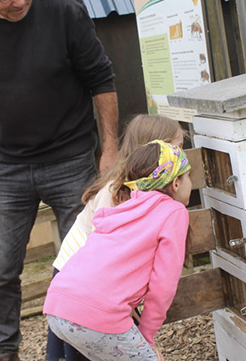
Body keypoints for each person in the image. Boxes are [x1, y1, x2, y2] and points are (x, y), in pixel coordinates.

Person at [0, 0, 119, 359]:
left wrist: (108, 149)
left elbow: (101, 80)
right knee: (1, 273)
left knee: (82, 262)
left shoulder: (64, 10)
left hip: (71, 158)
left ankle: (84, 348)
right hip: (8, 166)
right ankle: (3, 352)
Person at [46, 115, 185, 361]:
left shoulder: (132, 194)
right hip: (83, 277)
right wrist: (146, 336)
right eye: (177, 148)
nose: (181, 153)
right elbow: (162, 283)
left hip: (67, 292)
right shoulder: (122, 193)